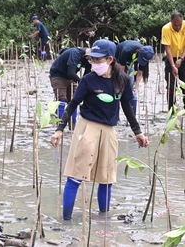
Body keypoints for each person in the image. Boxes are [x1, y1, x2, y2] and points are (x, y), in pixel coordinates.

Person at [50, 39, 149, 220]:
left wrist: (138, 132)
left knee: (106, 177)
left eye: (97, 60)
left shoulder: (123, 80)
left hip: (110, 131)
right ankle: (66, 220)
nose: (94, 64)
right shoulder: (88, 80)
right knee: (75, 175)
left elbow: (126, 106)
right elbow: (73, 104)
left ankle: (104, 221)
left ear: (110, 59)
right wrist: (60, 129)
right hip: (87, 127)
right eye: (92, 60)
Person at [161, 12, 185, 112]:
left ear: (182, 20)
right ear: (171, 22)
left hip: (183, 58)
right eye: (175, 25)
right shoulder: (166, 28)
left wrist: (181, 59)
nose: (178, 27)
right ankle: (171, 110)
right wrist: (172, 65)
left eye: (180, 24)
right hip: (170, 58)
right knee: (171, 86)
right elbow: (167, 48)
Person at [49, 47, 91, 125]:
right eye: (91, 58)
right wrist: (81, 82)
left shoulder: (89, 59)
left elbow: (87, 74)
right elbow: (71, 73)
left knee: (73, 99)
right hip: (58, 75)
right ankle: (60, 124)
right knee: (62, 99)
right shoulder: (75, 53)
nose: (92, 60)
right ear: (88, 54)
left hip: (71, 77)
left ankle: (72, 124)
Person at [115, 40, 155, 116]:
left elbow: (139, 74)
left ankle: (131, 115)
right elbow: (121, 71)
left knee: (132, 87)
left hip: (131, 62)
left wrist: (135, 87)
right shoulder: (126, 50)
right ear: (138, 52)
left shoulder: (146, 55)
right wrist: (124, 86)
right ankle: (116, 115)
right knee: (119, 88)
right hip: (119, 58)